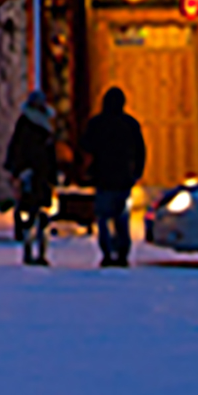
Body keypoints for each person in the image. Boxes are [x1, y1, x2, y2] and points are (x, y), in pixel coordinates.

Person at [82, 85, 147, 268]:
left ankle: (107, 252)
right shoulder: (130, 124)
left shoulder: (97, 123)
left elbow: (86, 145)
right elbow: (140, 150)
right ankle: (122, 252)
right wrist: (137, 172)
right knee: (121, 217)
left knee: (103, 217)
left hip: (102, 176)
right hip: (123, 178)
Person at [5, 89, 58, 265]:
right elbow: (19, 149)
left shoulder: (39, 126)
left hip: (37, 175)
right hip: (33, 174)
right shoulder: (30, 126)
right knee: (33, 213)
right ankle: (32, 249)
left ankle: (37, 249)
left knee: (38, 214)